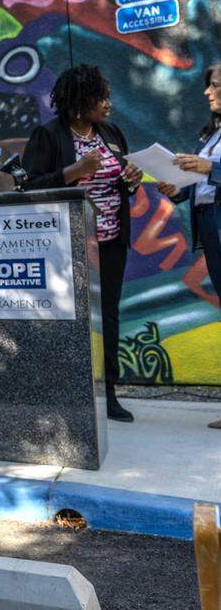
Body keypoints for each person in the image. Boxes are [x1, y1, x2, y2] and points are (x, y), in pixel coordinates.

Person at [22, 64, 142, 422]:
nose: (107, 104)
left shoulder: (111, 133)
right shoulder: (49, 135)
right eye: (99, 98)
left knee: (109, 315)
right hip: (67, 245)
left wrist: (131, 179)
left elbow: (121, 182)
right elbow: (28, 187)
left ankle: (111, 394)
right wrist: (75, 170)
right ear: (78, 104)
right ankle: (66, 393)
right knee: (66, 319)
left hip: (111, 241)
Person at [156, 62, 221, 427]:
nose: (207, 92)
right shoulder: (212, 133)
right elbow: (205, 182)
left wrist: (207, 168)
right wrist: (178, 188)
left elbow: (211, 173)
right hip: (211, 227)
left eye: (214, 86)